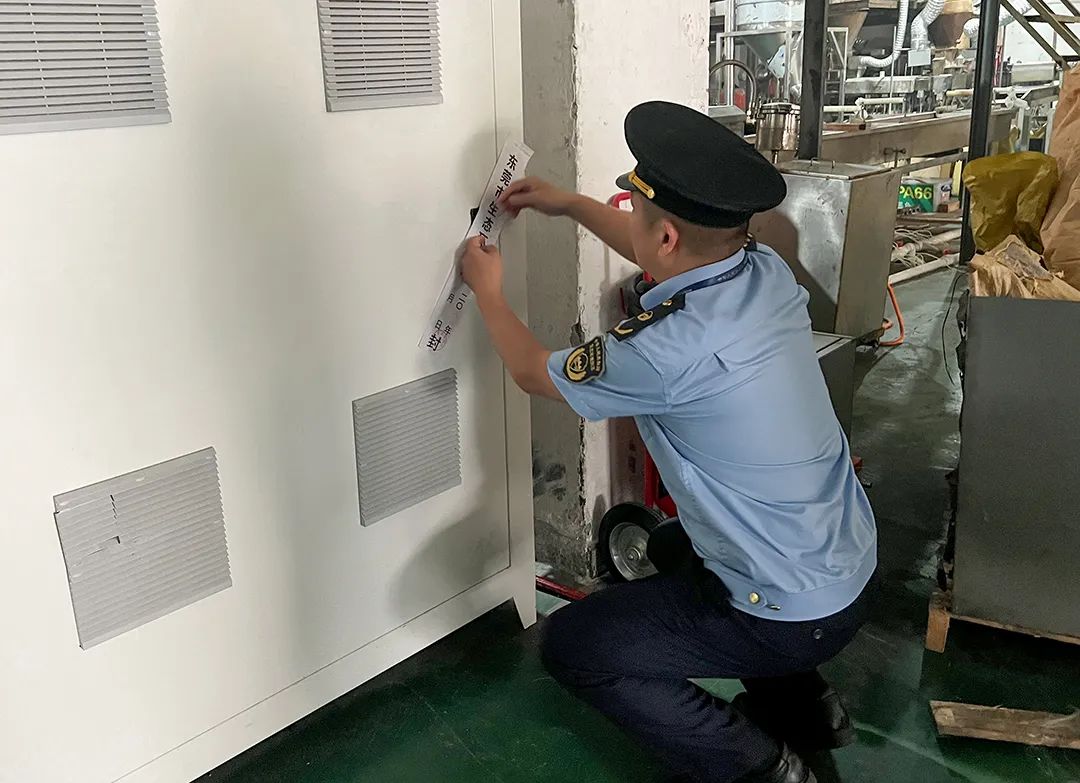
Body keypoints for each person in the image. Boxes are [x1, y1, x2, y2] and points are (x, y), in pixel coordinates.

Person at [460, 100, 878, 783]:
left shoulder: (662, 351)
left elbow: (533, 372)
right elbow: (662, 249)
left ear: (664, 238)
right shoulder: (763, 271)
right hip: (846, 565)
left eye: (635, 211)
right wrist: (570, 205)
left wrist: (488, 291)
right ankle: (807, 708)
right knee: (670, 546)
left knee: (575, 647)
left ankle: (763, 767)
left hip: (790, 613)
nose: (629, 219)